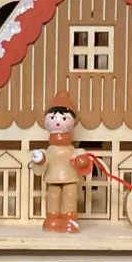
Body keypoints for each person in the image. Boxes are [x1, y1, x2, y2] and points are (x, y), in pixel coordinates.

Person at [28, 90, 93, 232]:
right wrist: (40, 159)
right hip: (53, 176)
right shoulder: (50, 150)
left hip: (70, 176)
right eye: (53, 118)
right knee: (53, 195)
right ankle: (52, 218)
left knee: (70, 196)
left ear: (72, 122)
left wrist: (82, 161)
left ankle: (69, 219)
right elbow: (44, 159)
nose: (57, 121)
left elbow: (82, 159)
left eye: (64, 118)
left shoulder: (72, 149)